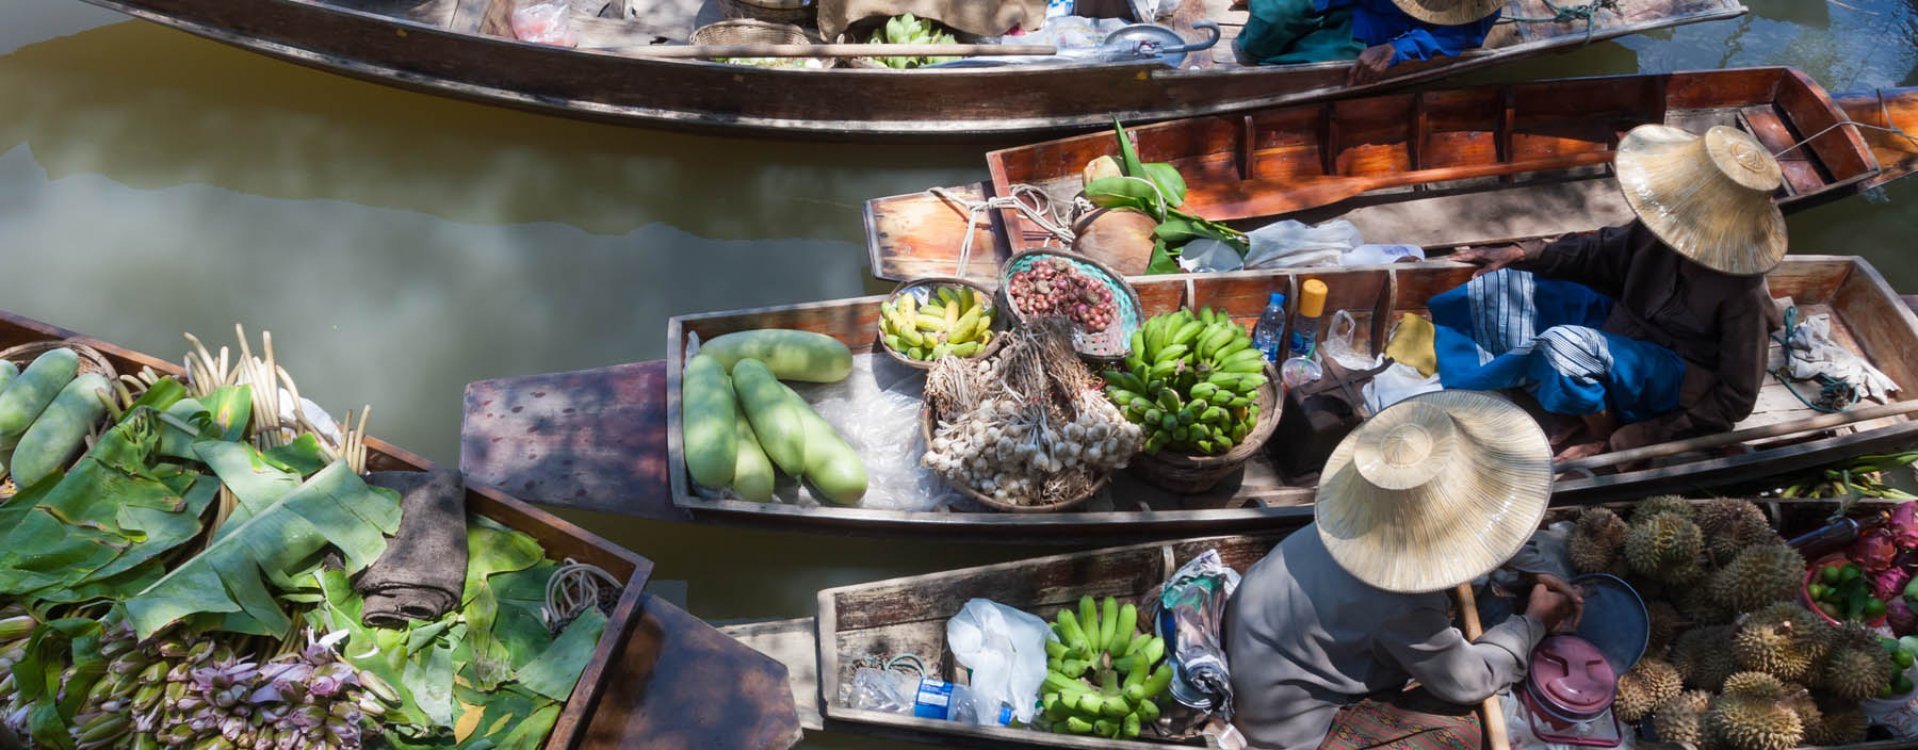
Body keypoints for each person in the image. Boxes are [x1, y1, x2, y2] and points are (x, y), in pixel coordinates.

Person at [1225, 390, 1584, 750]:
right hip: (1286, 734)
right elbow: (1468, 681)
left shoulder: (1348, 525)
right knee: (1461, 734)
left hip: (1254, 667)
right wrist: (1532, 623)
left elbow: (1469, 525)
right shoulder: (1400, 599)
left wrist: (1526, 563)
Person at [1438, 124, 1787, 460]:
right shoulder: (1662, 228)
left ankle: (1600, 424)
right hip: (1621, 327)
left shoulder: (1744, 291)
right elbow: (1599, 253)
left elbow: (1736, 399)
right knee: (1500, 288)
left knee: (1564, 348)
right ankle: (1574, 396)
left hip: (1671, 373)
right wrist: (1524, 253)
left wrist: (1627, 440)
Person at [1234, 0, 1503, 84]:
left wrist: (1396, 49)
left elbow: (1457, 39)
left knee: (1289, 69)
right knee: (1272, 18)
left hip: (1375, 32)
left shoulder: (1480, 6)